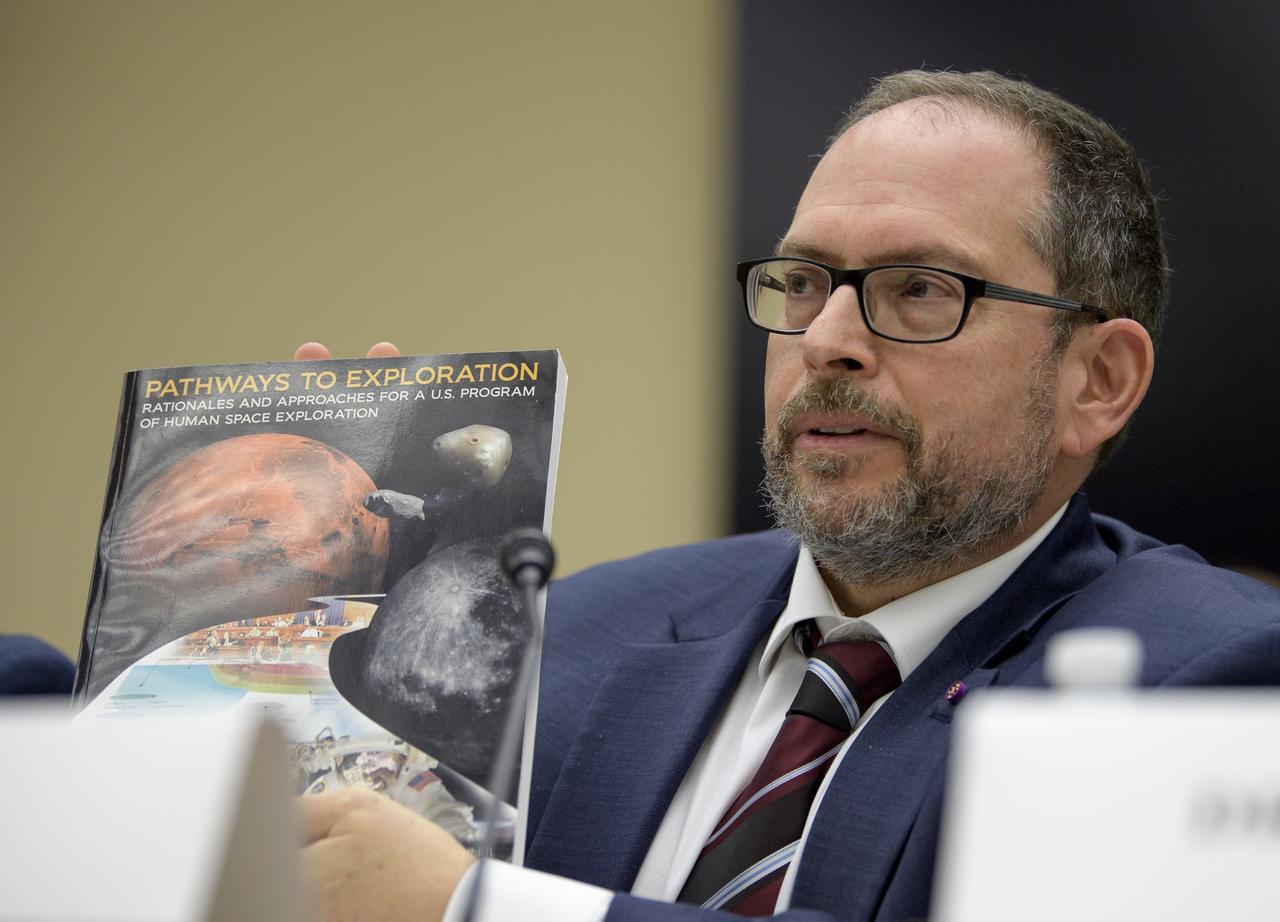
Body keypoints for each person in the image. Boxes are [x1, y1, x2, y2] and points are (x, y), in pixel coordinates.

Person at [295, 70, 1280, 922]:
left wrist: (484, 910)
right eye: (802, 280)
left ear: (1095, 381)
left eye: (919, 289)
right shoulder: (582, 633)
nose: (826, 339)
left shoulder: (1211, 676)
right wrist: (325, 629)